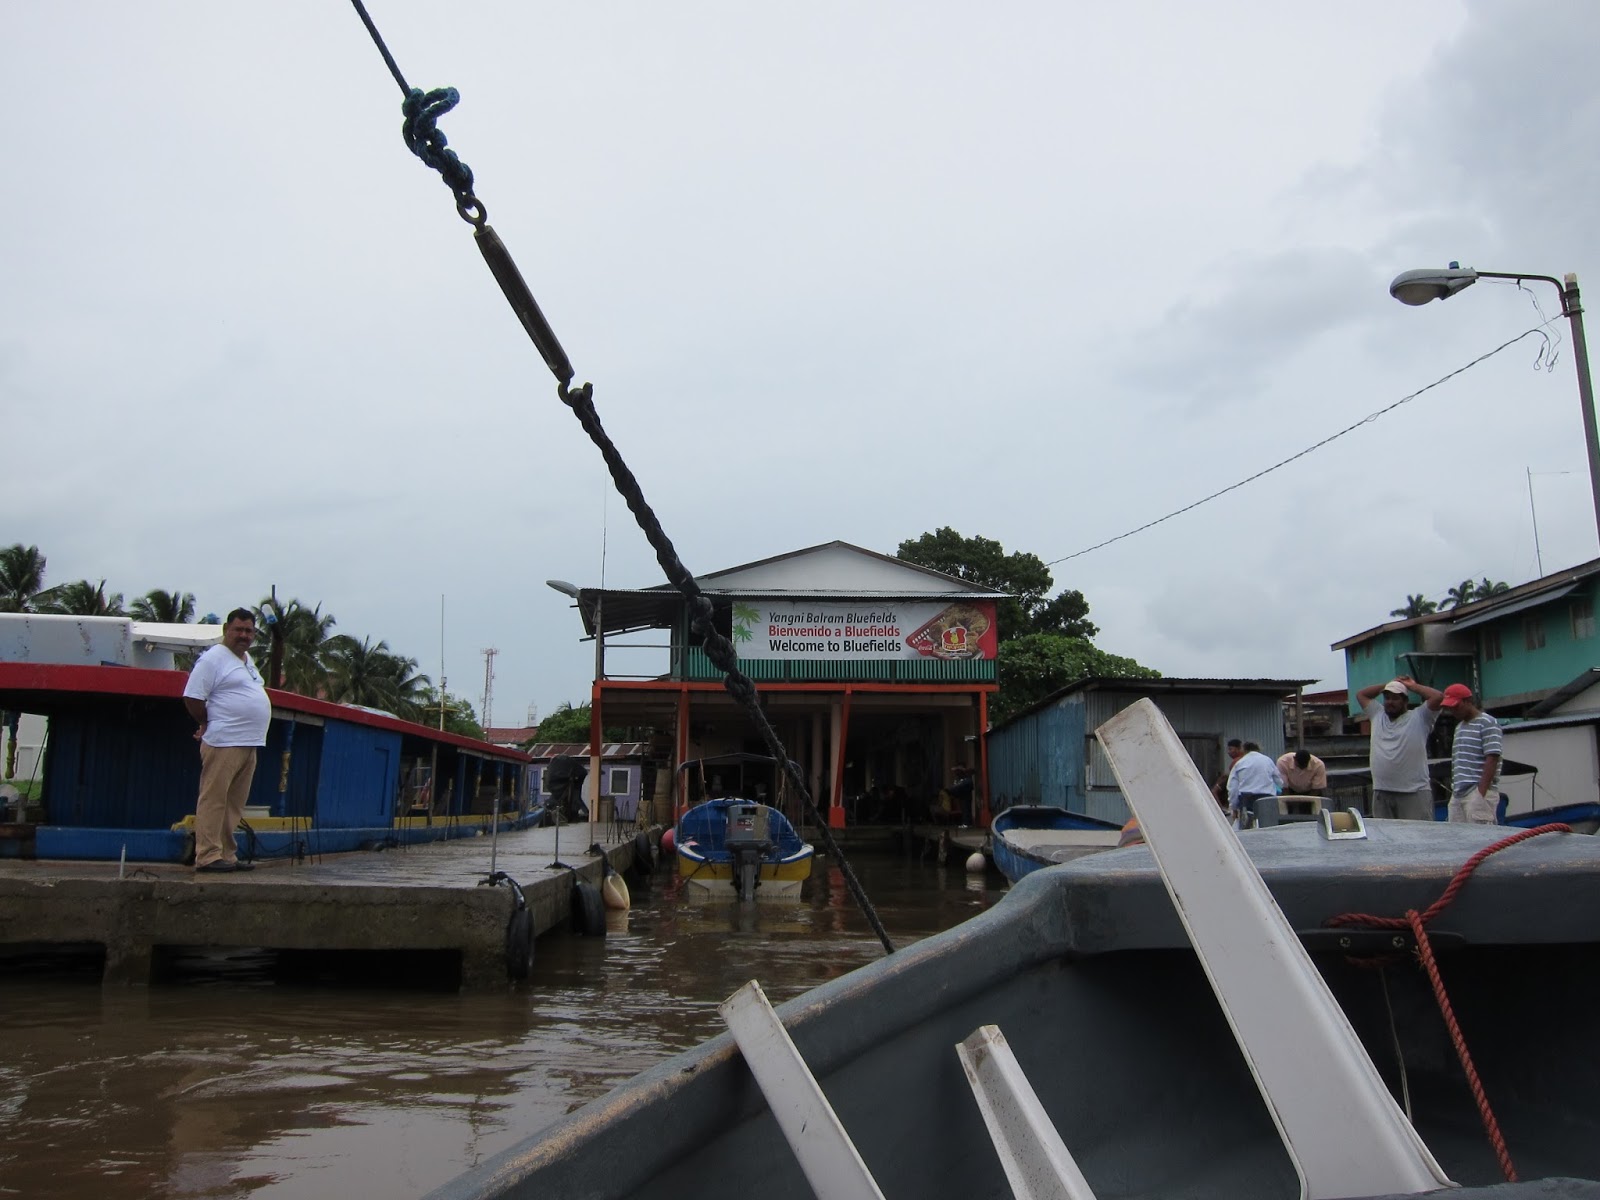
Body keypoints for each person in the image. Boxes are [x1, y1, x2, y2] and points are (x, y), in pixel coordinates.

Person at [182, 608, 270, 873]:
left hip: (249, 743)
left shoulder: (246, 660)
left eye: (249, 631)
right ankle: (207, 856)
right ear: (226, 630)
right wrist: (206, 722)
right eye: (238, 630)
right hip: (224, 741)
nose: (243, 635)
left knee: (233, 804)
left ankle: (227, 855)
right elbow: (192, 697)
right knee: (214, 799)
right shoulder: (213, 659)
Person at [1354, 675, 1443, 819]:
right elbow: (1361, 694)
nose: (1390, 702)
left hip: (1413, 792)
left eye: (1395, 698)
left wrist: (1412, 686)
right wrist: (1388, 684)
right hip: (1382, 791)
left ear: (1405, 701)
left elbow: (1438, 697)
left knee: (1418, 837)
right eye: (1387, 698)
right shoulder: (1377, 714)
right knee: (1386, 840)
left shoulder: (1420, 717)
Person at [1441, 683, 1501, 824]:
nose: (1453, 711)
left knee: (1480, 836)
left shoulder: (1487, 722)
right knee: (1456, 837)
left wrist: (1481, 793)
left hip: (1476, 791)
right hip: (1458, 792)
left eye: (1456, 706)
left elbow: (1492, 758)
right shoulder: (1459, 727)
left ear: (1468, 702)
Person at [1227, 742, 1282, 828]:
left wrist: (1233, 806)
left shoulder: (1240, 763)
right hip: (1267, 798)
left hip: (1246, 799)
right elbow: (1279, 781)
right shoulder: (1267, 760)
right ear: (1259, 749)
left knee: (1246, 827)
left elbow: (1232, 788)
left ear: (1244, 750)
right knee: (1268, 827)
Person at [1211, 739, 1244, 809]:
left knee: (1214, 791)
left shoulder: (1238, 761)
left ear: (1238, 749)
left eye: (1230, 749)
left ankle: (1221, 809)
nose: (1228, 752)